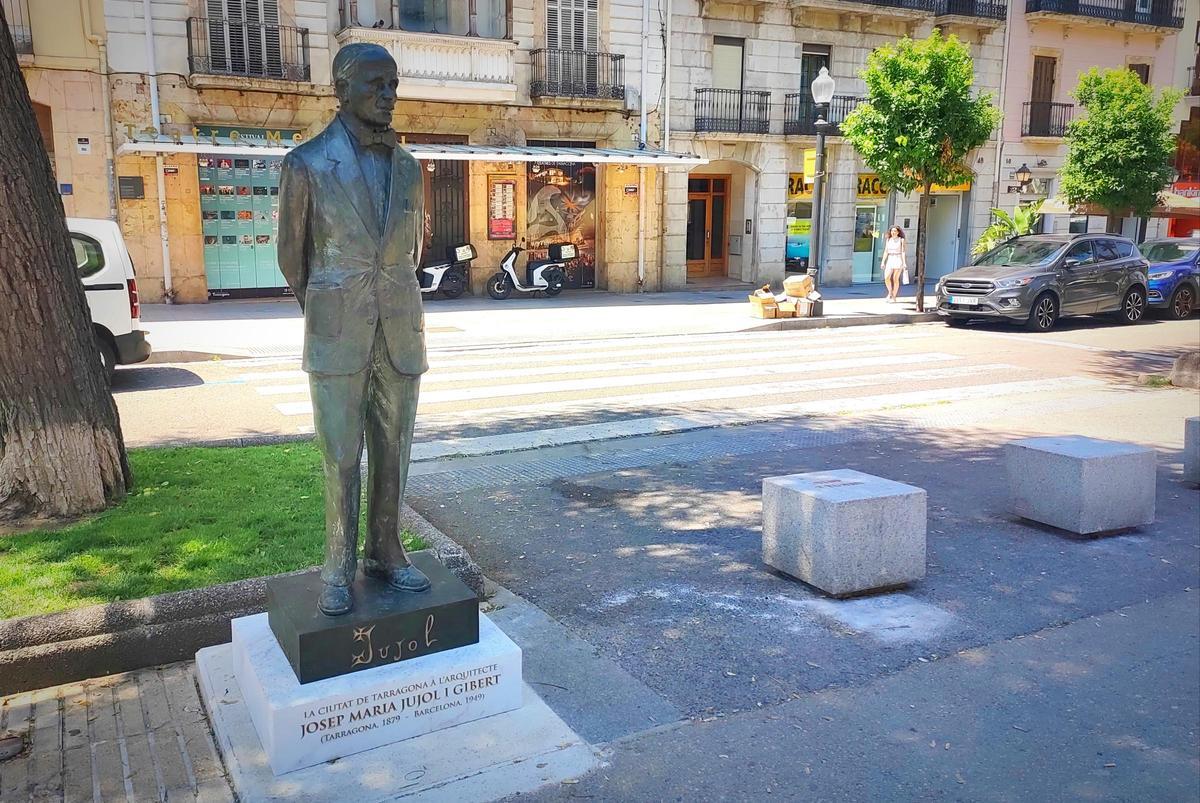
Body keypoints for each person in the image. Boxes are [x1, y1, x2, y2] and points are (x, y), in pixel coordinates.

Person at [276, 42, 429, 616]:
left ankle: (386, 550)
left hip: (400, 329)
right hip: (338, 328)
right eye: (375, 85)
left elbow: (409, 250)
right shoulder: (307, 163)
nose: (388, 96)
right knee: (342, 454)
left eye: (393, 84)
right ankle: (337, 564)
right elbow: (294, 258)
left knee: (395, 449)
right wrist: (330, 307)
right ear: (342, 88)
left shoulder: (411, 167)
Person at [881, 225, 907, 302]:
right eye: (892, 231)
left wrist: (904, 263)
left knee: (895, 278)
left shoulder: (901, 240)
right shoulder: (888, 239)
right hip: (890, 258)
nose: (893, 232)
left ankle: (894, 296)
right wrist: (883, 261)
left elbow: (903, 251)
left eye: (895, 231)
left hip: (898, 258)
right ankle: (890, 293)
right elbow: (886, 251)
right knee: (887, 277)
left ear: (898, 232)